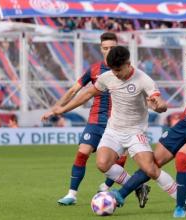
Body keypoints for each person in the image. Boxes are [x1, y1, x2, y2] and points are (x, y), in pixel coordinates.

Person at [43, 46, 181, 211]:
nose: (115, 74)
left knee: (150, 169)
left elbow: (160, 105)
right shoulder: (106, 76)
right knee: (102, 163)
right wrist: (62, 109)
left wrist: (159, 106)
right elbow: (86, 94)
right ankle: (136, 187)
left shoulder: (144, 80)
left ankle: (183, 202)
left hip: (135, 132)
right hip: (113, 129)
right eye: (112, 70)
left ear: (128, 64)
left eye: (118, 70)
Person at [112, 45, 186, 218]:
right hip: (184, 125)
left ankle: (180, 207)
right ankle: (120, 195)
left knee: (183, 159)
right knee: (152, 163)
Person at [41, 33, 148, 207]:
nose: (108, 51)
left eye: (112, 48)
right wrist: (56, 108)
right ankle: (72, 194)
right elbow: (75, 90)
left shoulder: (127, 70)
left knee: (115, 161)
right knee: (82, 152)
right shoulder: (94, 70)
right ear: (101, 49)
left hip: (119, 122)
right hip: (96, 120)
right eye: (105, 48)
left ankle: (112, 186)